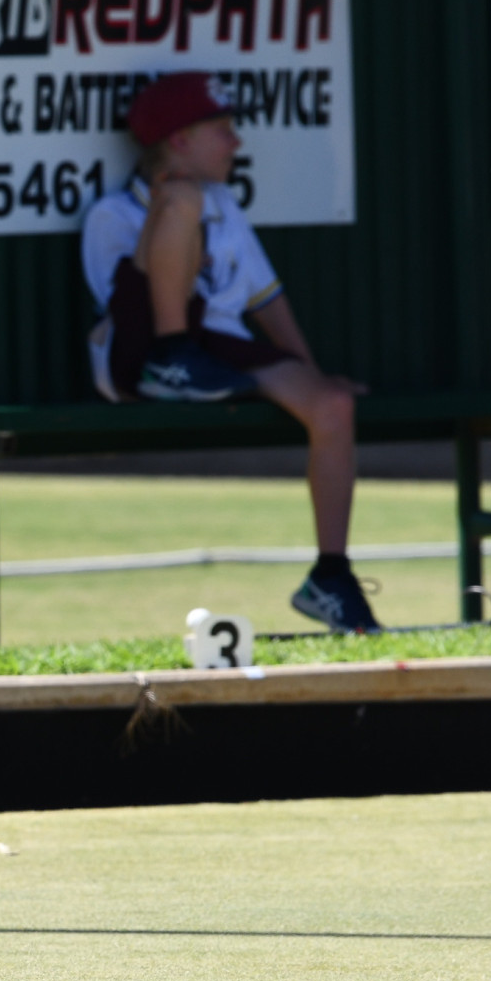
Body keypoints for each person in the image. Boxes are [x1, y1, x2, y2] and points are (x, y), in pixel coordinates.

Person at [81, 72, 379, 634]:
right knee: (181, 198)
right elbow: (125, 310)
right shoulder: (113, 215)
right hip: (140, 353)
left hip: (217, 351)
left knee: (334, 405)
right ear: (180, 140)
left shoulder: (224, 203)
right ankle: (175, 359)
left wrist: (310, 375)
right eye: (222, 129)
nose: (236, 143)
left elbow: (267, 300)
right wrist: (176, 219)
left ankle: (331, 576)